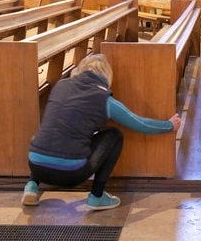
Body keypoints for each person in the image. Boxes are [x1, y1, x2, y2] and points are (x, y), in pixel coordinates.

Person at [21, 54, 181, 210]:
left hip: (36, 165)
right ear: (106, 76)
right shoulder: (104, 99)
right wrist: (168, 125)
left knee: (50, 133)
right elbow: (138, 123)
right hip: (70, 174)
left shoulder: (61, 86)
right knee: (114, 135)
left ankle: (31, 186)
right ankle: (97, 196)